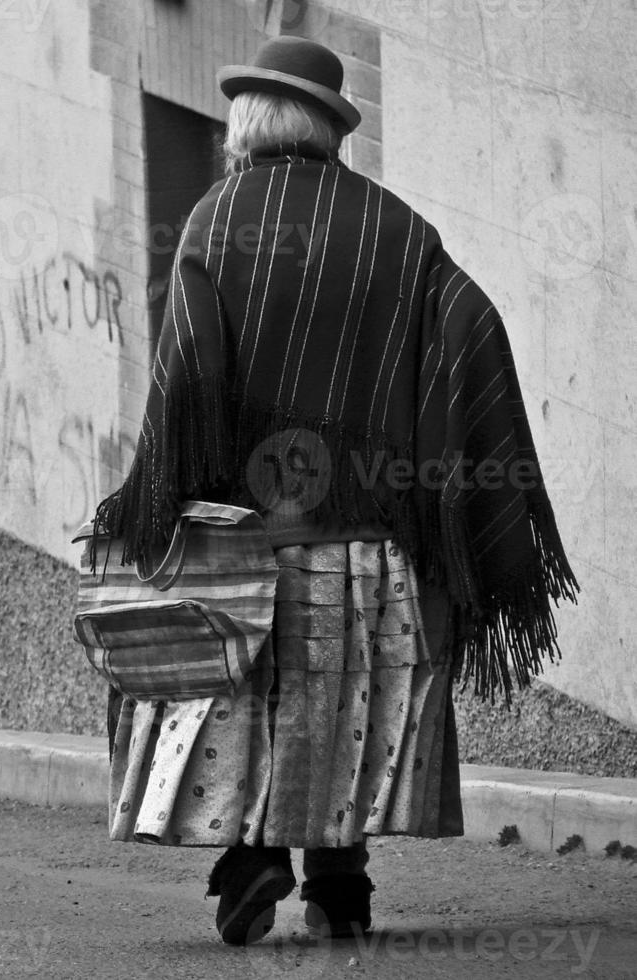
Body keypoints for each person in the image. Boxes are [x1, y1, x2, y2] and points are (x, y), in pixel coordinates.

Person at [96, 36, 578, 946]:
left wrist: (158, 502)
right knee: (344, 708)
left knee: (247, 705)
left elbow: (188, 378)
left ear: (246, 125)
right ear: (328, 129)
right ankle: (340, 889)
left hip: (248, 542)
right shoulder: (397, 229)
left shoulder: (212, 220)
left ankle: (252, 858)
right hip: (367, 540)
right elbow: (470, 332)